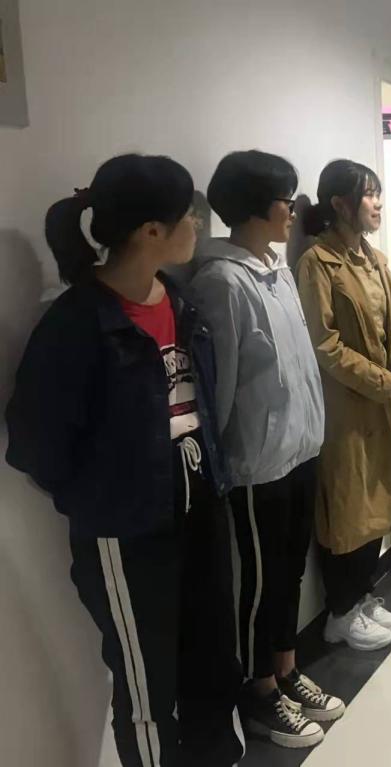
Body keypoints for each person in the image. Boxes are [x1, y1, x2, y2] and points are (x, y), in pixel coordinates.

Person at [5, 154, 245, 766]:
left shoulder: (180, 300)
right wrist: (104, 495)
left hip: (200, 502)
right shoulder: (78, 322)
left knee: (212, 655)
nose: (198, 225)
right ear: (151, 231)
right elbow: (35, 444)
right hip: (127, 528)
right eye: (189, 215)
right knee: (146, 683)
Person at [191, 151, 341, 747]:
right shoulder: (222, 283)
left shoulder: (275, 269)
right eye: (286, 200)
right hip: (256, 463)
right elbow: (220, 387)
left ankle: (285, 669)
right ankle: (258, 693)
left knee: (289, 571)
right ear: (256, 207)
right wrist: (221, 465)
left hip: (299, 450)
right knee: (259, 583)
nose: (294, 211)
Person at [295, 159, 391, 651]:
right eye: (368, 195)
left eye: (377, 193)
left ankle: (362, 597)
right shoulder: (316, 263)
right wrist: (382, 381)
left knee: (378, 502)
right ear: (339, 204)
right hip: (345, 408)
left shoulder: (376, 260)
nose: (378, 203)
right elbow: (324, 345)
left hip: (382, 401)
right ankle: (340, 612)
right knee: (349, 507)